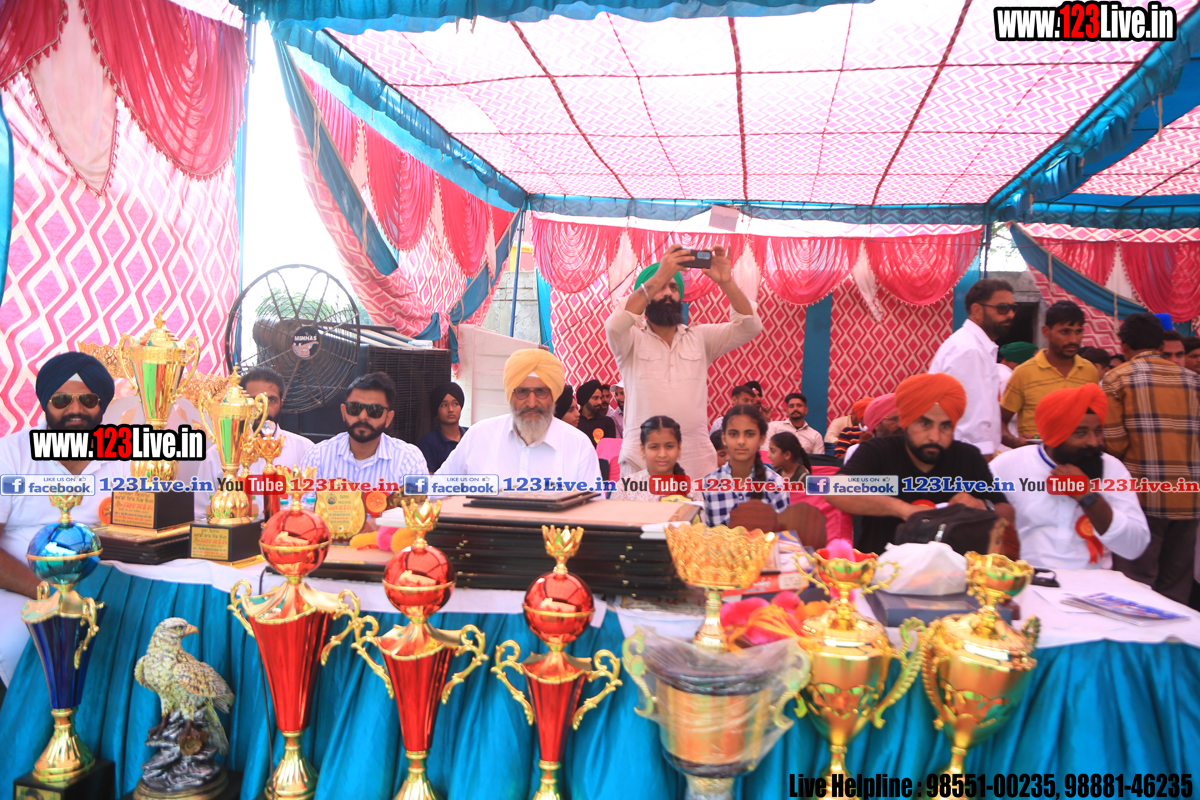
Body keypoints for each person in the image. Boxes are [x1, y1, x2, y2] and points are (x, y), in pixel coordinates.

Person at [0, 352, 131, 686]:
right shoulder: (10, 454)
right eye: (61, 400)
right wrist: (49, 592)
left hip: (109, 584)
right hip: (22, 587)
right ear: (45, 403)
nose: (76, 410)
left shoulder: (127, 455)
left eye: (88, 400)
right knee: (20, 642)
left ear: (102, 405)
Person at [606, 244, 763, 481]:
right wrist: (661, 274)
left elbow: (751, 326)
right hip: (641, 462)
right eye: (661, 286)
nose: (668, 292)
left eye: (673, 287)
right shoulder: (630, 340)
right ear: (646, 293)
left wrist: (727, 282)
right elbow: (614, 325)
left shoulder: (700, 337)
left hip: (696, 464)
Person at [832, 374, 1013, 555]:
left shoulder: (968, 457)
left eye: (945, 426)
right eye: (925, 424)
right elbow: (835, 491)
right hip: (882, 566)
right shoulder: (878, 451)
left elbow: (1007, 512)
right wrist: (905, 510)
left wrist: (983, 506)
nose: (935, 437)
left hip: (953, 568)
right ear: (906, 422)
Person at [990, 384, 1149, 571]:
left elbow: (1135, 547)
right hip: (1025, 579)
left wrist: (1089, 497)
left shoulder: (1112, 468)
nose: (1093, 442)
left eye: (1098, 431)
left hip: (1095, 583)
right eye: (1081, 433)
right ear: (1054, 435)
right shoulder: (1007, 466)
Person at [1101, 313, 1200, 603]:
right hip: (1189, 497)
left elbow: (1114, 443)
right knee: (1175, 588)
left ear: (1124, 346)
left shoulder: (1116, 379)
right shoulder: (1193, 380)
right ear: (1160, 344)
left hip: (1141, 497)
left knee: (1136, 586)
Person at [438, 350, 601, 486]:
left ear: (553, 396)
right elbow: (436, 491)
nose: (531, 403)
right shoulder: (479, 436)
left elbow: (594, 511)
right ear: (510, 395)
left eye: (541, 392)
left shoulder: (579, 447)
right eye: (522, 392)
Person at [193, 366, 315, 519]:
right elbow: (201, 515)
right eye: (255, 400)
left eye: (271, 400)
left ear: (281, 403)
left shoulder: (305, 449)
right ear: (243, 404)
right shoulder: (217, 455)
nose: (263, 408)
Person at [928, 278, 1016, 458]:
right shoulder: (969, 350)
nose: (1011, 314)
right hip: (965, 458)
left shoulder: (973, 345)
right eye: (1002, 308)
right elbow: (972, 423)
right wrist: (981, 463)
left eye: (1013, 308)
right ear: (977, 310)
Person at [300, 372, 428, 490]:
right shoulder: (318, 456)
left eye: (374, 410)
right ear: (344, 412)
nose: (363, 417)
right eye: (354, 408)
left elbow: (416, 506)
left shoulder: (408, 459)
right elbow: (303, 504)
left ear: (388, 418)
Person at [1000, 301, 1099, 447]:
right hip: (1036, 457)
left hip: (1079, 457)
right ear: (1046, 332)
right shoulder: (1024, 372)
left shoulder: (1090, 372)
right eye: (1065, 332)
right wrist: (1016, 442)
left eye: (1078, 332)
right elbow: (1000, 420)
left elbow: (1097, 420)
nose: (1073, 339)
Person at [700, 405, 788, 527]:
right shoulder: (708, 485)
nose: (741, 441)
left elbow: (783, 535)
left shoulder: (776, 484)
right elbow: (703, 534)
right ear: (724, 438)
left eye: (749, 434)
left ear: (762, 439)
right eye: (733, 434)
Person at [610, 416, 702, 502]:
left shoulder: (692, 492)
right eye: (654, 447)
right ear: (643, 450)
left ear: (679, 448)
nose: (662, 454)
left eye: (669, 446)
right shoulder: (625, 489)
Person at [417, 382, 468, 473]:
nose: (450, 409)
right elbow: (428, 477)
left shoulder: (470, 434)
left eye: (455, 404)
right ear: (436, 411)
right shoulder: (429, 442)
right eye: (444, 405)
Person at [842, 393, 900, 464]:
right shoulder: (855, 450)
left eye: (903, 419)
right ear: (877, 424)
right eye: (894, 419)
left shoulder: (910, 450)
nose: (900, 425)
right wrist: (862, 443)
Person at [575, 379, 617, 447]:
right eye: (595, 398)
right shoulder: (574, 420)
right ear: (585, 399)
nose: (600, 402)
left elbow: (609, 449)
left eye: (600, 398)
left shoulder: (607, 422)